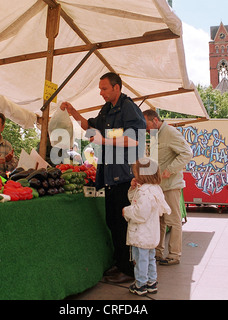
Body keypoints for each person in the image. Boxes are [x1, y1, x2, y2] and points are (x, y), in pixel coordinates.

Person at [60, 72, 146, 283]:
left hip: (125, 176)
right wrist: (73, 112)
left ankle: (127, 270)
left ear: (117, 88)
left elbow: (136, 138)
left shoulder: (128, 107)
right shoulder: (106, 110)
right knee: (113, 221)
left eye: (104, 88)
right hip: (109, 175)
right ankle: (120, 263)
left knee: (122, 223)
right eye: (100, 89)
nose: (101, 93)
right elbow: (90, 128)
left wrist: (105, 140)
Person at [143, 110, 192, 265]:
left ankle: (174, 254)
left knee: (173, 220)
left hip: (171, 185)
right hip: (159, 186)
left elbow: (187, 153)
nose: (146, 129)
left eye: (146, 125)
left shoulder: (171, 132)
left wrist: (169, 170)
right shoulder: (155, 135)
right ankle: (158, 251)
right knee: (160, 220)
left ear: (155, 120)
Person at [122, 158, 171, 296]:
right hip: (151, 233)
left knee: (140, 260)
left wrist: (126, 211)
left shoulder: (145, 193)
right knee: (150, 258)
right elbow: (134, 199)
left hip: (141, 233)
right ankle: (152, 282)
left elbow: (140, 212)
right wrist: (133, 188)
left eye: (136, 173)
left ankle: (140, 284)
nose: (134, 175)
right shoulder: (155, 189)